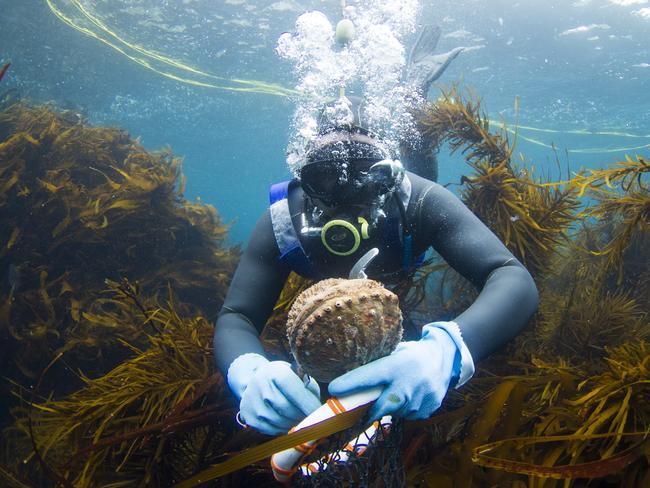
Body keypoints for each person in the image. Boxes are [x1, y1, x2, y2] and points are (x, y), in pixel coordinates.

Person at [213, 27, 539, 436]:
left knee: (424, 158)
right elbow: (237, 316)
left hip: (408, 213)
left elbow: (512, 279)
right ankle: (409, 93)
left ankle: (413, 90)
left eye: (370, 176)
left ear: (389, 174)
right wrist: (249, 371)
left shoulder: (419, 200)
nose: (346, 193)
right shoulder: (284, 222)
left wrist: (448, 352)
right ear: (301, 176)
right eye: (324, 178)